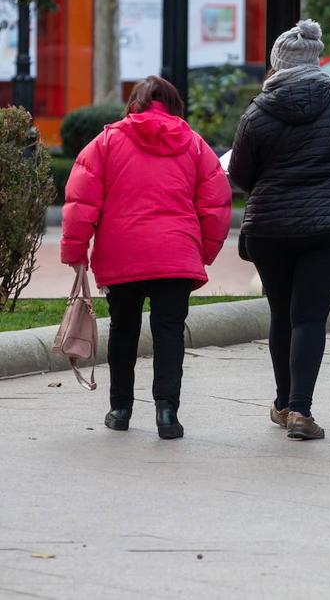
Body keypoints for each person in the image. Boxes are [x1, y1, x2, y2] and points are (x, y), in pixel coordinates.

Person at [61, 76, 232, 438]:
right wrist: (204, 252)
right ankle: (167, 414)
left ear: (133, 104)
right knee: (169, 332)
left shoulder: (106, 142)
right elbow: (216, 204)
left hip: (123, 254)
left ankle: (120, 409)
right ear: (174, 106)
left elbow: (81, 202)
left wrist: (74, 251)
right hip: (176, 254)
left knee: (123, 329)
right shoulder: (195, 146)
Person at [229, 19, 330, 441]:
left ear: (277, 63)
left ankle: (283, 402)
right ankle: (301, 411)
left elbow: (240, 174)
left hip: (271, 228)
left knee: (282, 314)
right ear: (317, 60)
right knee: (309, 316)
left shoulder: (257, 111)